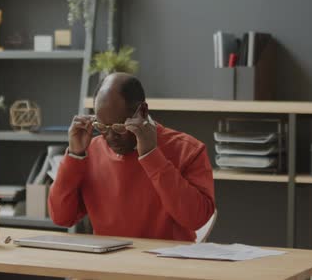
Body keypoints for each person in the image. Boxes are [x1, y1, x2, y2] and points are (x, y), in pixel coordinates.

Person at [48, 73, 215, 241]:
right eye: (102, 126)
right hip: (110, 263)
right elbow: (62, 218)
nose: (111, 136)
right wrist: (74, 156)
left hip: (167, 262)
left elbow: (196, 219)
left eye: (119, 126)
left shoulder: (187, 149)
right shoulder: (91, 151)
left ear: (142, 111)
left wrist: (151, 155)